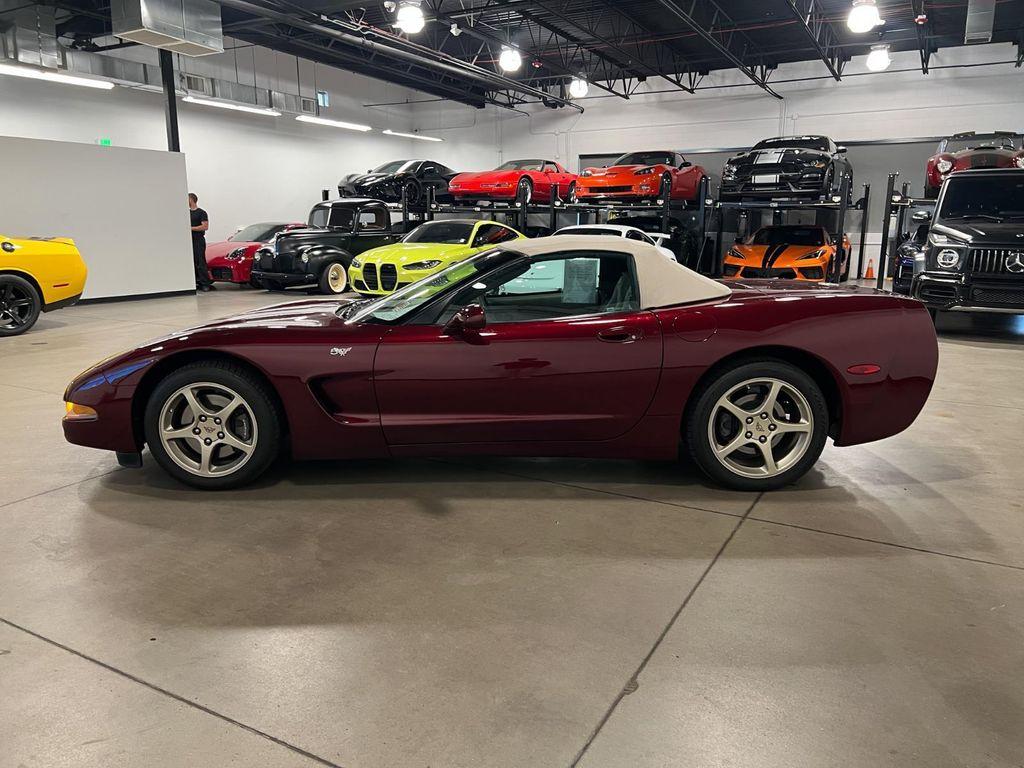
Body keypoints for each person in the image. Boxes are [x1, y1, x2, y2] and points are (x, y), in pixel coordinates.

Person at [188, 193, 215, 292]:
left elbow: (205, 226)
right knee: (192, 262)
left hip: (198, 240)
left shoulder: (201, 213)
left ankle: (205, 283)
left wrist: (191, 228)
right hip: (189, 240)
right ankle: (196, 282)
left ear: (191, 199)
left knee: (200, 262)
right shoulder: (186, 213)